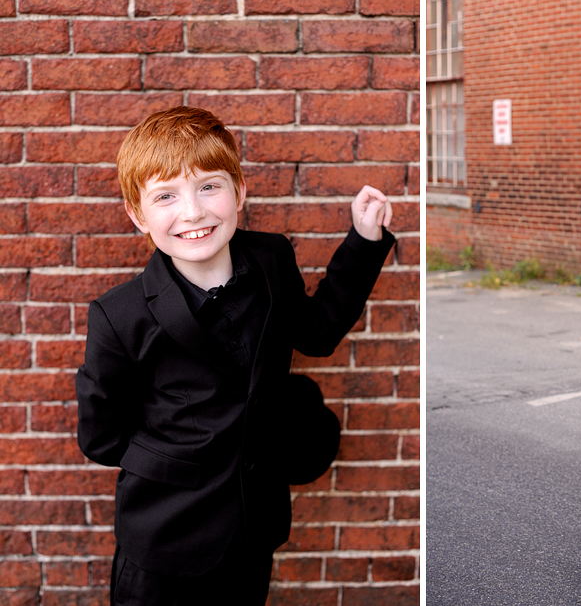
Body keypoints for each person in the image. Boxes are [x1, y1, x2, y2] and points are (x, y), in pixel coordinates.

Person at [75, 107, 396, 605]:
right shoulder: (119, 315)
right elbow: (101, 436)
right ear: (138, 214)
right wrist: (180, 458)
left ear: (239, 190)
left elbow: (316, 334)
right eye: (166, 196)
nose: (193, 211)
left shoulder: (271, 261)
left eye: (209, 186)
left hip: (253, 527)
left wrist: (364, 240)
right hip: (165, 541)